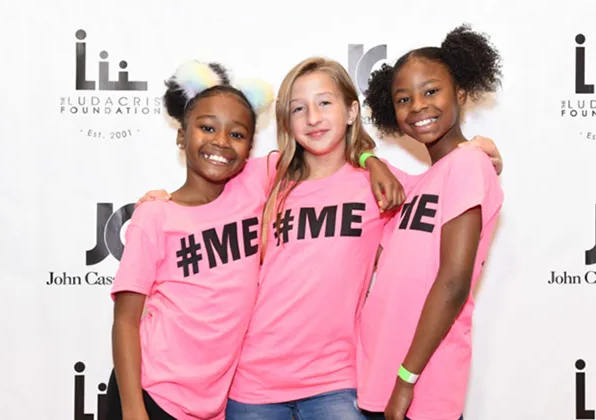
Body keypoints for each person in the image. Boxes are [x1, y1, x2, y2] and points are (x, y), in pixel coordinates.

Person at [138, 57, 503, 420]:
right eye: (299, 108)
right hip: (254, 384)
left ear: (351, 111)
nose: (313, 118)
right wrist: (162, 200)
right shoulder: (265, 175)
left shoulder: (381, 184)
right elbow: (205, 189)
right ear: (287, 121)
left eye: (325, 103)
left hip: (337, 383)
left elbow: (441, 189)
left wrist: (476, 152)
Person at [106, 60, 275, 420]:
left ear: (250, 148)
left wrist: (371, 160)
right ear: (182, 135)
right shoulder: (156, 214)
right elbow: (125, 320)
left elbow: (321, 153)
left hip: (211, 407)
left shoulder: (256, 187)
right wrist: (133, 408)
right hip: (150, 395)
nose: (221, 141)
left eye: (237, 134)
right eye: (207, 127)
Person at [356, 25, 505, 420]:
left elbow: (453, 282)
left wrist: (407, 379)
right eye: (403, 99)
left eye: (431, 91)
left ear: (460, 93)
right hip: (378, 376)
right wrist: (370, 161)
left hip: (422, 382)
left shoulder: (469, 163)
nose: (418, 105)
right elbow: (344, 147)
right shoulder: (417, 184)